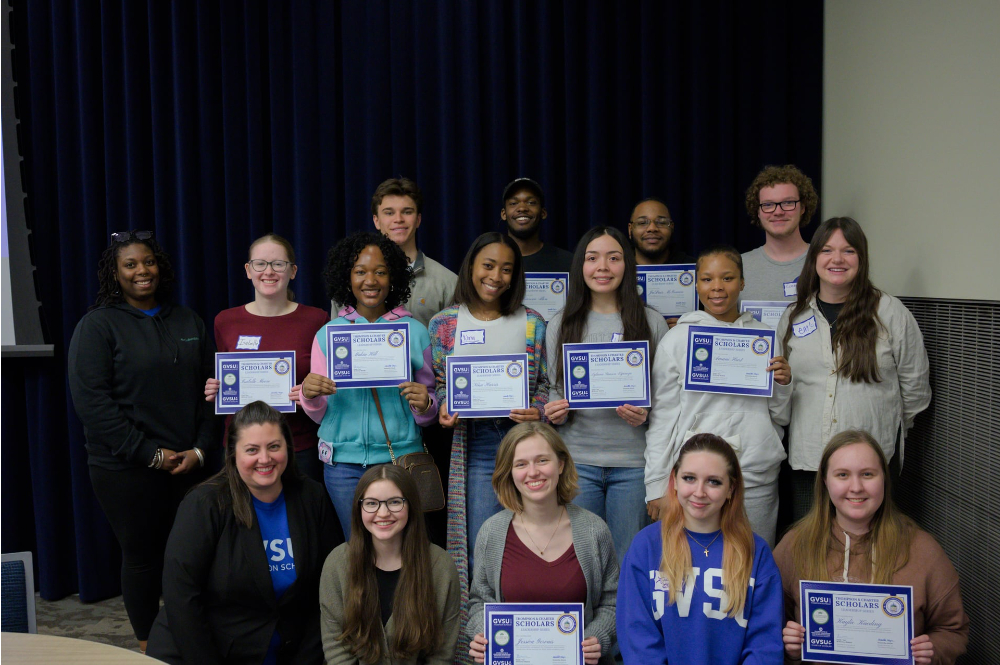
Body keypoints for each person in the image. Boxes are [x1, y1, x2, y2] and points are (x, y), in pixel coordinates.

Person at [67, 230, 214, 652]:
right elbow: (93, 403)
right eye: (129, 264)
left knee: (194, 556)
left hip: (190, 465)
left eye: (148, 262)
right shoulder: (97, 326)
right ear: (115, 274)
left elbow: (211, 393)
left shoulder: (188, 321)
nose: (141, 271)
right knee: (143, 557)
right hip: (126, 469)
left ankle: (194, 638)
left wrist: (200, 450)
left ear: (160, 267)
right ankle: (149, 647)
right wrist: (150, 455)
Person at [147, 401, 342, 664]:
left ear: (288, 447)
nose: (265, 458)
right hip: (205, 650)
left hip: (288, 651)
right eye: (252, 450)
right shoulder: (204, 504)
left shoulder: (312, 497)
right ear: (232, 454)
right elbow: (181, 597)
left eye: (274, 446)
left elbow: (328, 589)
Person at [776, 217, 931, 520]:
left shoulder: (890, 313)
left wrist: (885, 426)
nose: (837, 259)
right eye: (827, 250)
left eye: (848, 251)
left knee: (873, 542)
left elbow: (915, 389)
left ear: (861, 258)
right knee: (811, 543)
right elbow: (783, 391)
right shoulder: (794, 316)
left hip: (871, 465)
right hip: (810, 461)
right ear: (814, 258)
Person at [774, 430, 968, 664]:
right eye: (843, 475)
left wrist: (932, 651)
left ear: (884, 478)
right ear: (825, 481)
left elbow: (953, 630)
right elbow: (767, 626)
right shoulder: (795, 546)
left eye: (867, 474)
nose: (856, 487)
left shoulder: (923, 549)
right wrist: (790, 650)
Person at [428, 232, 549, 602]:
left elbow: (545, 384)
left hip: (524, 441)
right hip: (477, 442)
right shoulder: (445, 323)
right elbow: (439, 383)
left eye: (506, 269)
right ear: (471, 268)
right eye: (489, 265)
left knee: (533, 538)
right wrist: (445, 404)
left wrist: (538, 409)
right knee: (482, 541)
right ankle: (482, 624)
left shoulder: (532, 322)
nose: (496, 276)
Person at [644, 246, 791, 546]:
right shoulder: (677, 339)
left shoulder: (764, 338)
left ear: (742, 282)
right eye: (707, 279)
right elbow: (662, 419)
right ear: (696, 284)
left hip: (754, 474)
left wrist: (783, 383)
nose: (717, 287)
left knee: (752, 560)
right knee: (698, 564)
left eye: (727, 278)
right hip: (696, 478)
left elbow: (780, 415)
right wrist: (656, 485)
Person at [544, 226, 669, 565]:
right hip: (578, 462)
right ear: (580, 266)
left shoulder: (652, 321)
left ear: (627, 264)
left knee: (628, 561)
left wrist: (646, 413)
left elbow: (665, 399)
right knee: (583, 562)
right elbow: (554, 390)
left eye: (614, 258)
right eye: (592, 258)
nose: (603, 267)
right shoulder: (561, 323)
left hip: (634, 465)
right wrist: (554, 411)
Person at [300, 231, 438, 536]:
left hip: (400, 460)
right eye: (360, 272)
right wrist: (310, 396)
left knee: (405, 549)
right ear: (346, 278)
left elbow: (430, 406)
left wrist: (426, 404)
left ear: (393, 277)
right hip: (343, 466)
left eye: (380, 272)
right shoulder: (328, 335)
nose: (370, 281)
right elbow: (321, 413)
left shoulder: (415, 332)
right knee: (358, 550)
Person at [617, 434, 784, 665]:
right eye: (689, 478)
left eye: (713, 482)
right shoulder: (646, 546)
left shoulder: (756, 552)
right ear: (675, 481)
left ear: (731, 489)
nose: (699, 492)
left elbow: (764, 645)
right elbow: (637, 637)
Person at [467, 422, 617, 665]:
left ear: (561, 464)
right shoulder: (492, 532)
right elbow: (479, 602)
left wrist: (597, 637)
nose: (533, 472)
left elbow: (613, 602)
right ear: (509, 472)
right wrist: (483, 635)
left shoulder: (594, 530)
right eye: (521, 464)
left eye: (542, 460)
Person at [205, 233, 329, 483]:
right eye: (260, 264)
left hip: (298, 446)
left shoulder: (317, 320)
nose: (269, 271)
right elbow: (226, 376)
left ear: (293, 271)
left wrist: (311, 393)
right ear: (248, 270)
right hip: (243, 448)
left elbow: (327, 386)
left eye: (278, 264)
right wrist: (217, 388)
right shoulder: (225, 321)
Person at [319, 464, 461, 665]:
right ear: (359, 508)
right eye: (371, 503)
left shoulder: (441, 566)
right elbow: (337, 652)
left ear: (411, 506)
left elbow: (442, 655)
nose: (383, 513)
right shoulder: (337, 563)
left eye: (395, 502)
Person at [367, 177, 458, 327]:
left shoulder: (447, 283)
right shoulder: (355, 282)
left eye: (407, 212)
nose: (398, 219)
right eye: (389, 213)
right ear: (376, 221)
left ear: (418, 220)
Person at [740, 164, 820, 303]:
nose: (778, 212)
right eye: (768, 205)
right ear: (758, 211)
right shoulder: (737, 266)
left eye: (788, 202)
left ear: (803, 207)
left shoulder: (824, 262)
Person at [501, 177, 574, 273]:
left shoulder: (568, 262)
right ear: (504, 214)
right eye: (513, 203)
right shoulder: (490, 261)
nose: (522, 208)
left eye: (531, 202)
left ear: (543, 213)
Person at [627, 198, 695, 266]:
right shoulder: (622, 267)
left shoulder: (694, 267)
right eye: (642, 223)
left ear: (672, 228)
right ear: (630, 229)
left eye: (661, 222)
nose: (652, 228)